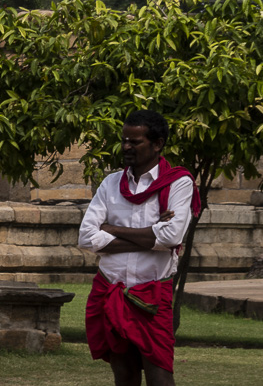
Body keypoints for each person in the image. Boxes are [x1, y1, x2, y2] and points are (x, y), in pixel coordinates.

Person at [78, 109, 200, 386]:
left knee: (159, 374)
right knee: (124, 373)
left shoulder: (178, 183)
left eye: (135, 142)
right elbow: (86, 238)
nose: (126, 147)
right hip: (111, 288)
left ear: (157, 144)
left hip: (152, 293)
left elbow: (169, 239)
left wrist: (111, 229)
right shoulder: (111, 183)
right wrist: (150, 236)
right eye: (124, 140)